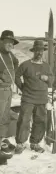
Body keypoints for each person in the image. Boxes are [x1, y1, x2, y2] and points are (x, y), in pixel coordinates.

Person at [14, 40, 53, 154]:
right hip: (28, 98)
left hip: (42, 98)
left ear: (43, 52)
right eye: (37, 51)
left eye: (41, 51)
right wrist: (23, 88)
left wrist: (47, 78)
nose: (39, 53)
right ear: (33, 51)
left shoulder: (46, 66)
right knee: (24, 120)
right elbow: (16, 76)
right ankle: (20, 143)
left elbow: (52, 79)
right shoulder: (25, 64)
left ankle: (35, 143)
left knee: (40, 121)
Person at [0, 30, 19, 165]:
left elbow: (16, 65)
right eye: (7, 42)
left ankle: (1, 140)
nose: (10, 44)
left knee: (5, 117)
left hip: (8, 90)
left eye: (12, 42)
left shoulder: (11, 56)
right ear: (1, 41)